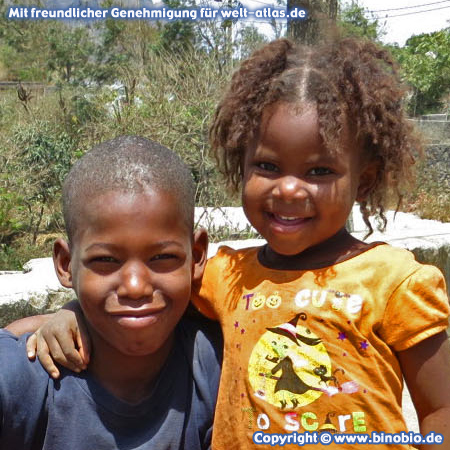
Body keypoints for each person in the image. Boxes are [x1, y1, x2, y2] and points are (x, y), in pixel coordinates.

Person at [8, 37, 450, 449]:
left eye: (319, 171)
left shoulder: (396, 282)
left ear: (364, 179)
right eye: (268, 166)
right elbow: (134, 295)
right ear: (242, 167)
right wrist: (64, 315)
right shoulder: (226, 276)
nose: (290, 190)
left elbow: (442, 408)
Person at [1, 136, 222, 450]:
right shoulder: (24, 379)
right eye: (105, 260)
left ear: (197, 255)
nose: (135, 287)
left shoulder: (221, 369)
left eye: (162, 258)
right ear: (66, 264)